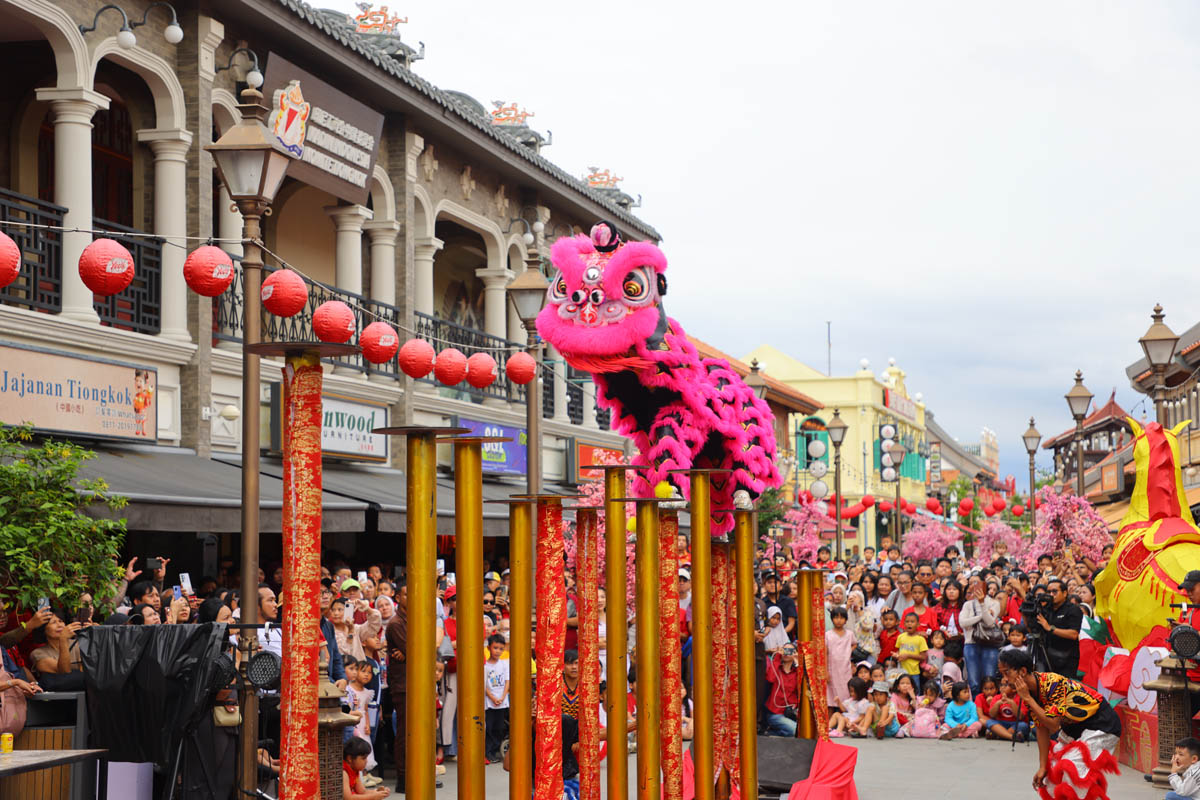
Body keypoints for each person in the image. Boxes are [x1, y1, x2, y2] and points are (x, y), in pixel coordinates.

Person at [998, 649, 1121, 797]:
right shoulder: (1028, 692)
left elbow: (1053, 725)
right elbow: (1041, 728)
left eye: (1007, 673)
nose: (1004, 679)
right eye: (1002, 674)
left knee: (1072, 768)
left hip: (1101, 724)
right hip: (1074, 729)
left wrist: (1028, 699)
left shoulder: (1053, 683)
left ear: (1023, 671)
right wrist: (1042, 767)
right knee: (1052, 776)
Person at [960, 576, 1002, 696]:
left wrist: (982, 603)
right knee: (974, 682)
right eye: (974, 586)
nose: (977, 589)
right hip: (971, 644)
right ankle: (976, 705)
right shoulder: (968, 604)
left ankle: (990, 705)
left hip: (989, 644)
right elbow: (963, 623)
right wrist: (980, 617)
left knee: (989, 680)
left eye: (980, 586)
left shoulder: (994, 603)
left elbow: (989, 622)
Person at [385, 579, 408, 793]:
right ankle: (403, 777)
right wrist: (409, 652)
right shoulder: (395, 623)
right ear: (398, 598)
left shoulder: (415, 619)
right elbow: (417, 648)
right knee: (404, 731)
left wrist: (408, 652)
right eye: (407, 594)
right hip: (403, 685)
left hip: (416, 681)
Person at [1038, 579, 1083, 679]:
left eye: (1054, 591)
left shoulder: (1073, 609)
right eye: (1048, 592)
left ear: (1065, 593)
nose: (1051, 594)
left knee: (1063, 687)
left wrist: (1050, 628)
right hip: (1047, 655)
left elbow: (1073, 634)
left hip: (1066, 659)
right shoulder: (1046, 608)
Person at [764, 642, 801, 737]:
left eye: (790, 651)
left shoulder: (796, 672)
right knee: (795, 730)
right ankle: (773, 732)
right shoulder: (777, 669)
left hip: (791, 713)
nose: (787, 653)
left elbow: (802, 685)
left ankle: (773, 733)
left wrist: (797, 662)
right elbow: (770, 679)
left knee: (803, 731)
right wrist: (777, 656)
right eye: (785, 650)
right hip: (775, 713)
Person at [484, 634, 510, 763]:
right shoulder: (485, 666)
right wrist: (493, 698)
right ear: (489, 648)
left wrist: (503, 697)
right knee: (489, 727)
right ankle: (488, 752)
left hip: (502, 702)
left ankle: (495, 750)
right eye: (495, 648)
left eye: (501, 648)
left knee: (499, 727)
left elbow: (507, 681)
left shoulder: (504, 664)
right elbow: (484, 685)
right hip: (489, 702)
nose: (498, 651)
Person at [825, 607, 853, 710]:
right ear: (832, 619)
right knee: (831, 696)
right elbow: (825, 652)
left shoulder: (850, 634)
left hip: (845, 668)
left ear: (846, 620)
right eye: (836, 617)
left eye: (842, 618)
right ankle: (830, 719)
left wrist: (848, 651)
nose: (839, 620)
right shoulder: (827, 634)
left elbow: (854, 644)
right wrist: (826, 671)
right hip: (832, 668)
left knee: (846, 693)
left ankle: (845, 716)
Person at [895, 612, 928, 679]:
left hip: (914, 672)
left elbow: (923, 657)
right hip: (901, 672)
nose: (909, 623)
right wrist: (896, 655)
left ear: (918, 624)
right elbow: (898, 651)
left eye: (912, 622)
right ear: (904, 624)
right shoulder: (900, 637)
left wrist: (908, 655)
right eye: (907, 621)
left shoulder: (921, 639)